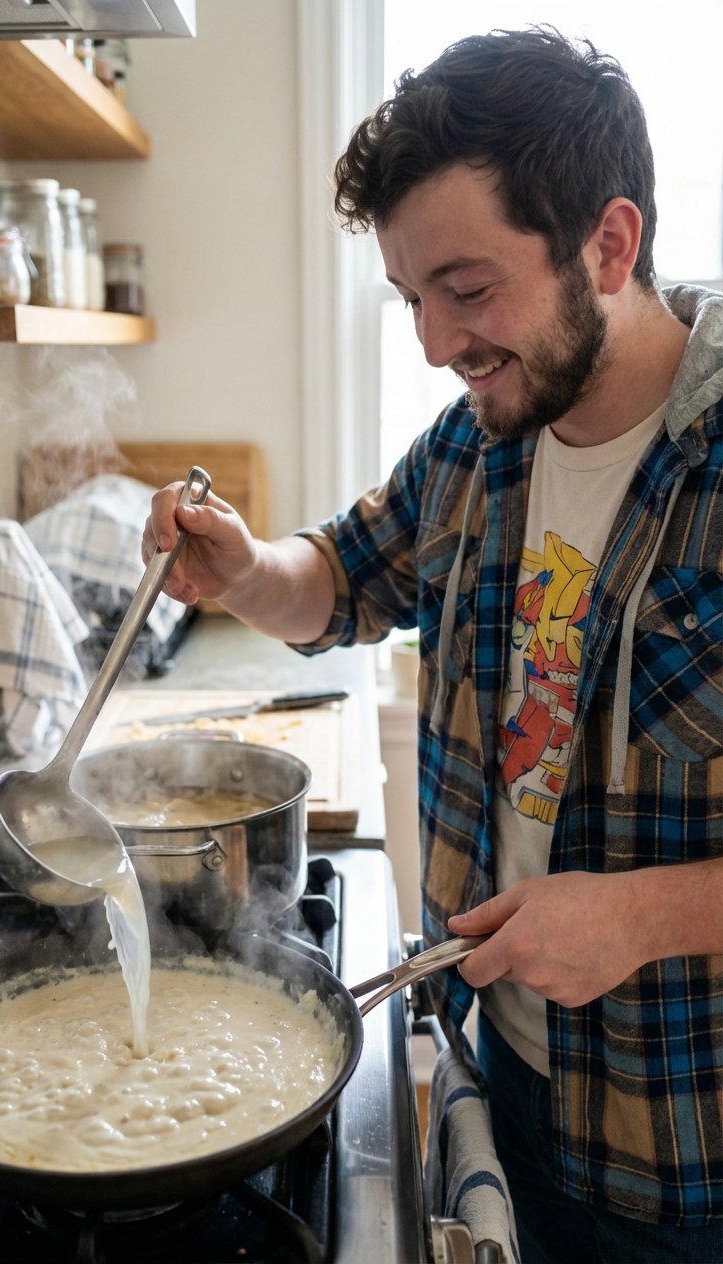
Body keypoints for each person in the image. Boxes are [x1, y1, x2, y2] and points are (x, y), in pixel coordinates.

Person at [142, 29, 722, 1264]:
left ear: (607, 245)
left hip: (689, 1138)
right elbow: (342, 582)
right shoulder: (480, 435)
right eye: (409, 299)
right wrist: (246, 569)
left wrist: (642, 916)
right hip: (501, 1068)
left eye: (463, 290)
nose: (430, 343)